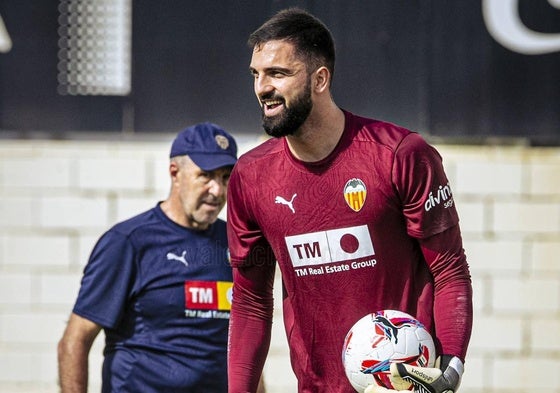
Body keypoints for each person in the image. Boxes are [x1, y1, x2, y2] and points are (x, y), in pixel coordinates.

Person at [226, 7, 473, 393]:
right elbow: (251, 300)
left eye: (278, 73)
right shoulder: (250, 177)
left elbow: (450, 271)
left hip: (408, 386)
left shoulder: (400, 154)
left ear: (320, 78)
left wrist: (451, 368)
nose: (262, 88)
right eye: (256, 75)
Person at [58, 122, 240, 392]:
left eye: (225, 178)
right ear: (174, 173)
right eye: (206, 175)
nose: (218, 190)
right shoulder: (129, 242)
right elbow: (75, 341)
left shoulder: (234, 243)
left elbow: (241, 346)